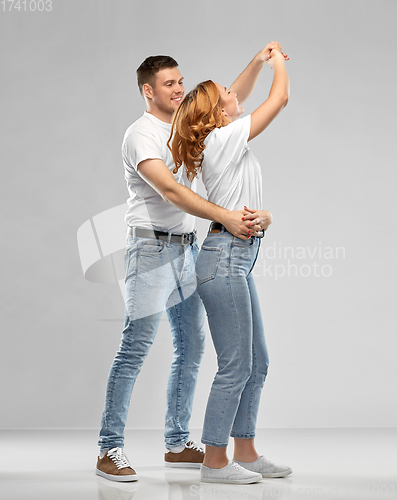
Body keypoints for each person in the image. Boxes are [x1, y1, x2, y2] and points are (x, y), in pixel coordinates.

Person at [95, 55, 270, 482]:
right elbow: (171, 191)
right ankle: (108, 448)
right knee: (135, 348)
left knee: (191, 349)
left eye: (180, 82)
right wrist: (225, 216)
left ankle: (176, 443)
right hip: (151, 251)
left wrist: (259, 61)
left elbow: (229, 99)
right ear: (147, 91)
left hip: (188, 250)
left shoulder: (186, 127)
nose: (177, 90)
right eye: (168, 84)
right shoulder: (140, 135)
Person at [169, 42, 292, 484]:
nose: (236, 94)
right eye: (229, 95)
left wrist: (268, 215)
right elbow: (278, 99)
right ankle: (215, 462)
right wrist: (277, 62)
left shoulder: (220, 136)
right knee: (236, 365)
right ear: (220, 113)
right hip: (223, 261)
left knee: (256, 363)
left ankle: (246, 449)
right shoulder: (223, 137)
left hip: (235, 257)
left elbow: (249, 206)